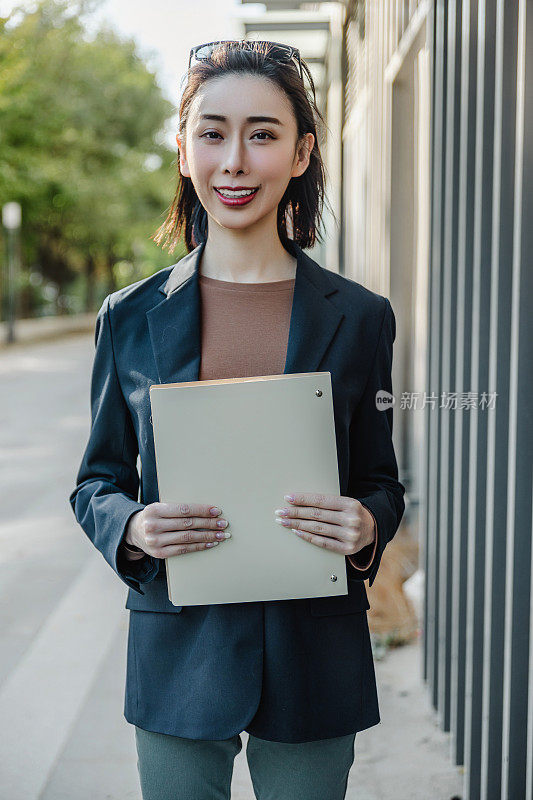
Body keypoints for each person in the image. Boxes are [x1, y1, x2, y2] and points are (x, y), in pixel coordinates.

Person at [69, 39, 405, 800]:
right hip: (178, 650)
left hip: (315, 650)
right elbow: (97, 478)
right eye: (213, 132)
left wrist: (364, 527)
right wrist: (130, 526)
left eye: (262, 134)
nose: (234, 161)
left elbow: (380, 481)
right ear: (183, 145)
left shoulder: (359, 317)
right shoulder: (128, 318)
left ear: (300, 152)